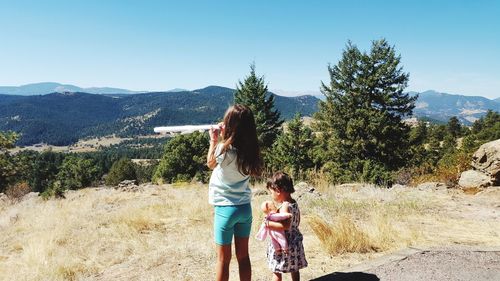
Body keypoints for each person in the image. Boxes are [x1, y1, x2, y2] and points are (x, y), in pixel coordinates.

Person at [207, 104, 262, 281]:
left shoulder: (223, 149)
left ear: (230, 125)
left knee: (223, 259)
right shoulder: (251, 151)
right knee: (243, 257)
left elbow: (210, 163)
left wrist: (214, 139)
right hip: (244, 209)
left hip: (225, 209)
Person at [263, 172, 308, 281]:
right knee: (294, 269)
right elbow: (297, 221)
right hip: (295, 242)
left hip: (284, 244)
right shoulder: (294, 203)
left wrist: (267, 223)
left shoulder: (285, 206)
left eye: (271, 192)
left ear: (278, 190)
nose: (271, 196)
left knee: (277, 270)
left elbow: (285, 225)